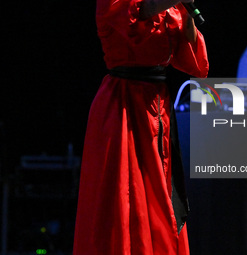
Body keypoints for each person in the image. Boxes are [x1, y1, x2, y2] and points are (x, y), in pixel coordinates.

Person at [72, 0, 209, 254]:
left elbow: (196, 66)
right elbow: (140, 13)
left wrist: (188, 12)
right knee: (126, 195)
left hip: (158, 108)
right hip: (123, 107)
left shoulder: (172, 7)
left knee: (162, 198)